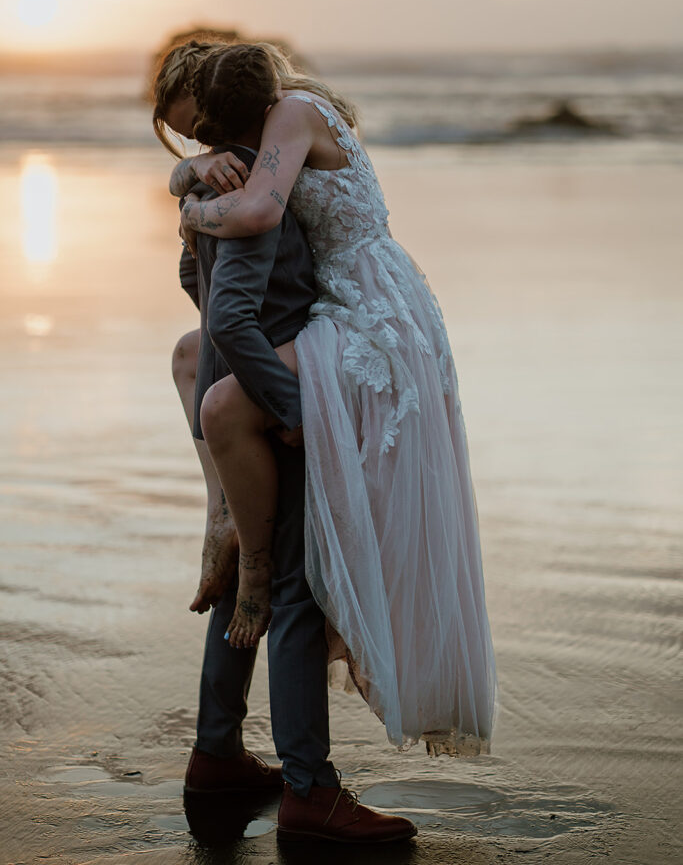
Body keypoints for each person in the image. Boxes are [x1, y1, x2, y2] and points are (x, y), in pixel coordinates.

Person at [153, 40, 497, 759]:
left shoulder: (292, 114)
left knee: (226, 401)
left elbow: (251, 213)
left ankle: (244, 552)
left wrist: (190, 207)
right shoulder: (277, 123)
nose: (208, 147)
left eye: (205, 130)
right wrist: (188, 175)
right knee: (191, 357)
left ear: (223, 103)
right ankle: (225, 516)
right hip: (338, 301)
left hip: (368, 312)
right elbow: (218, 276)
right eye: (191, 141)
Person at [159, 49, 417, 842]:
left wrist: (190, 185)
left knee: (251, 561)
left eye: (183, 128)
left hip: (287, 358)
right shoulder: (243, 174)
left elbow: (210, 296)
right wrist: (296, 410)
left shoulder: (247, 167)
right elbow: (230, 309)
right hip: (285, 379)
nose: (183, 147)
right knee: (291, 580)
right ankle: (308, 789)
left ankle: (217, 754)